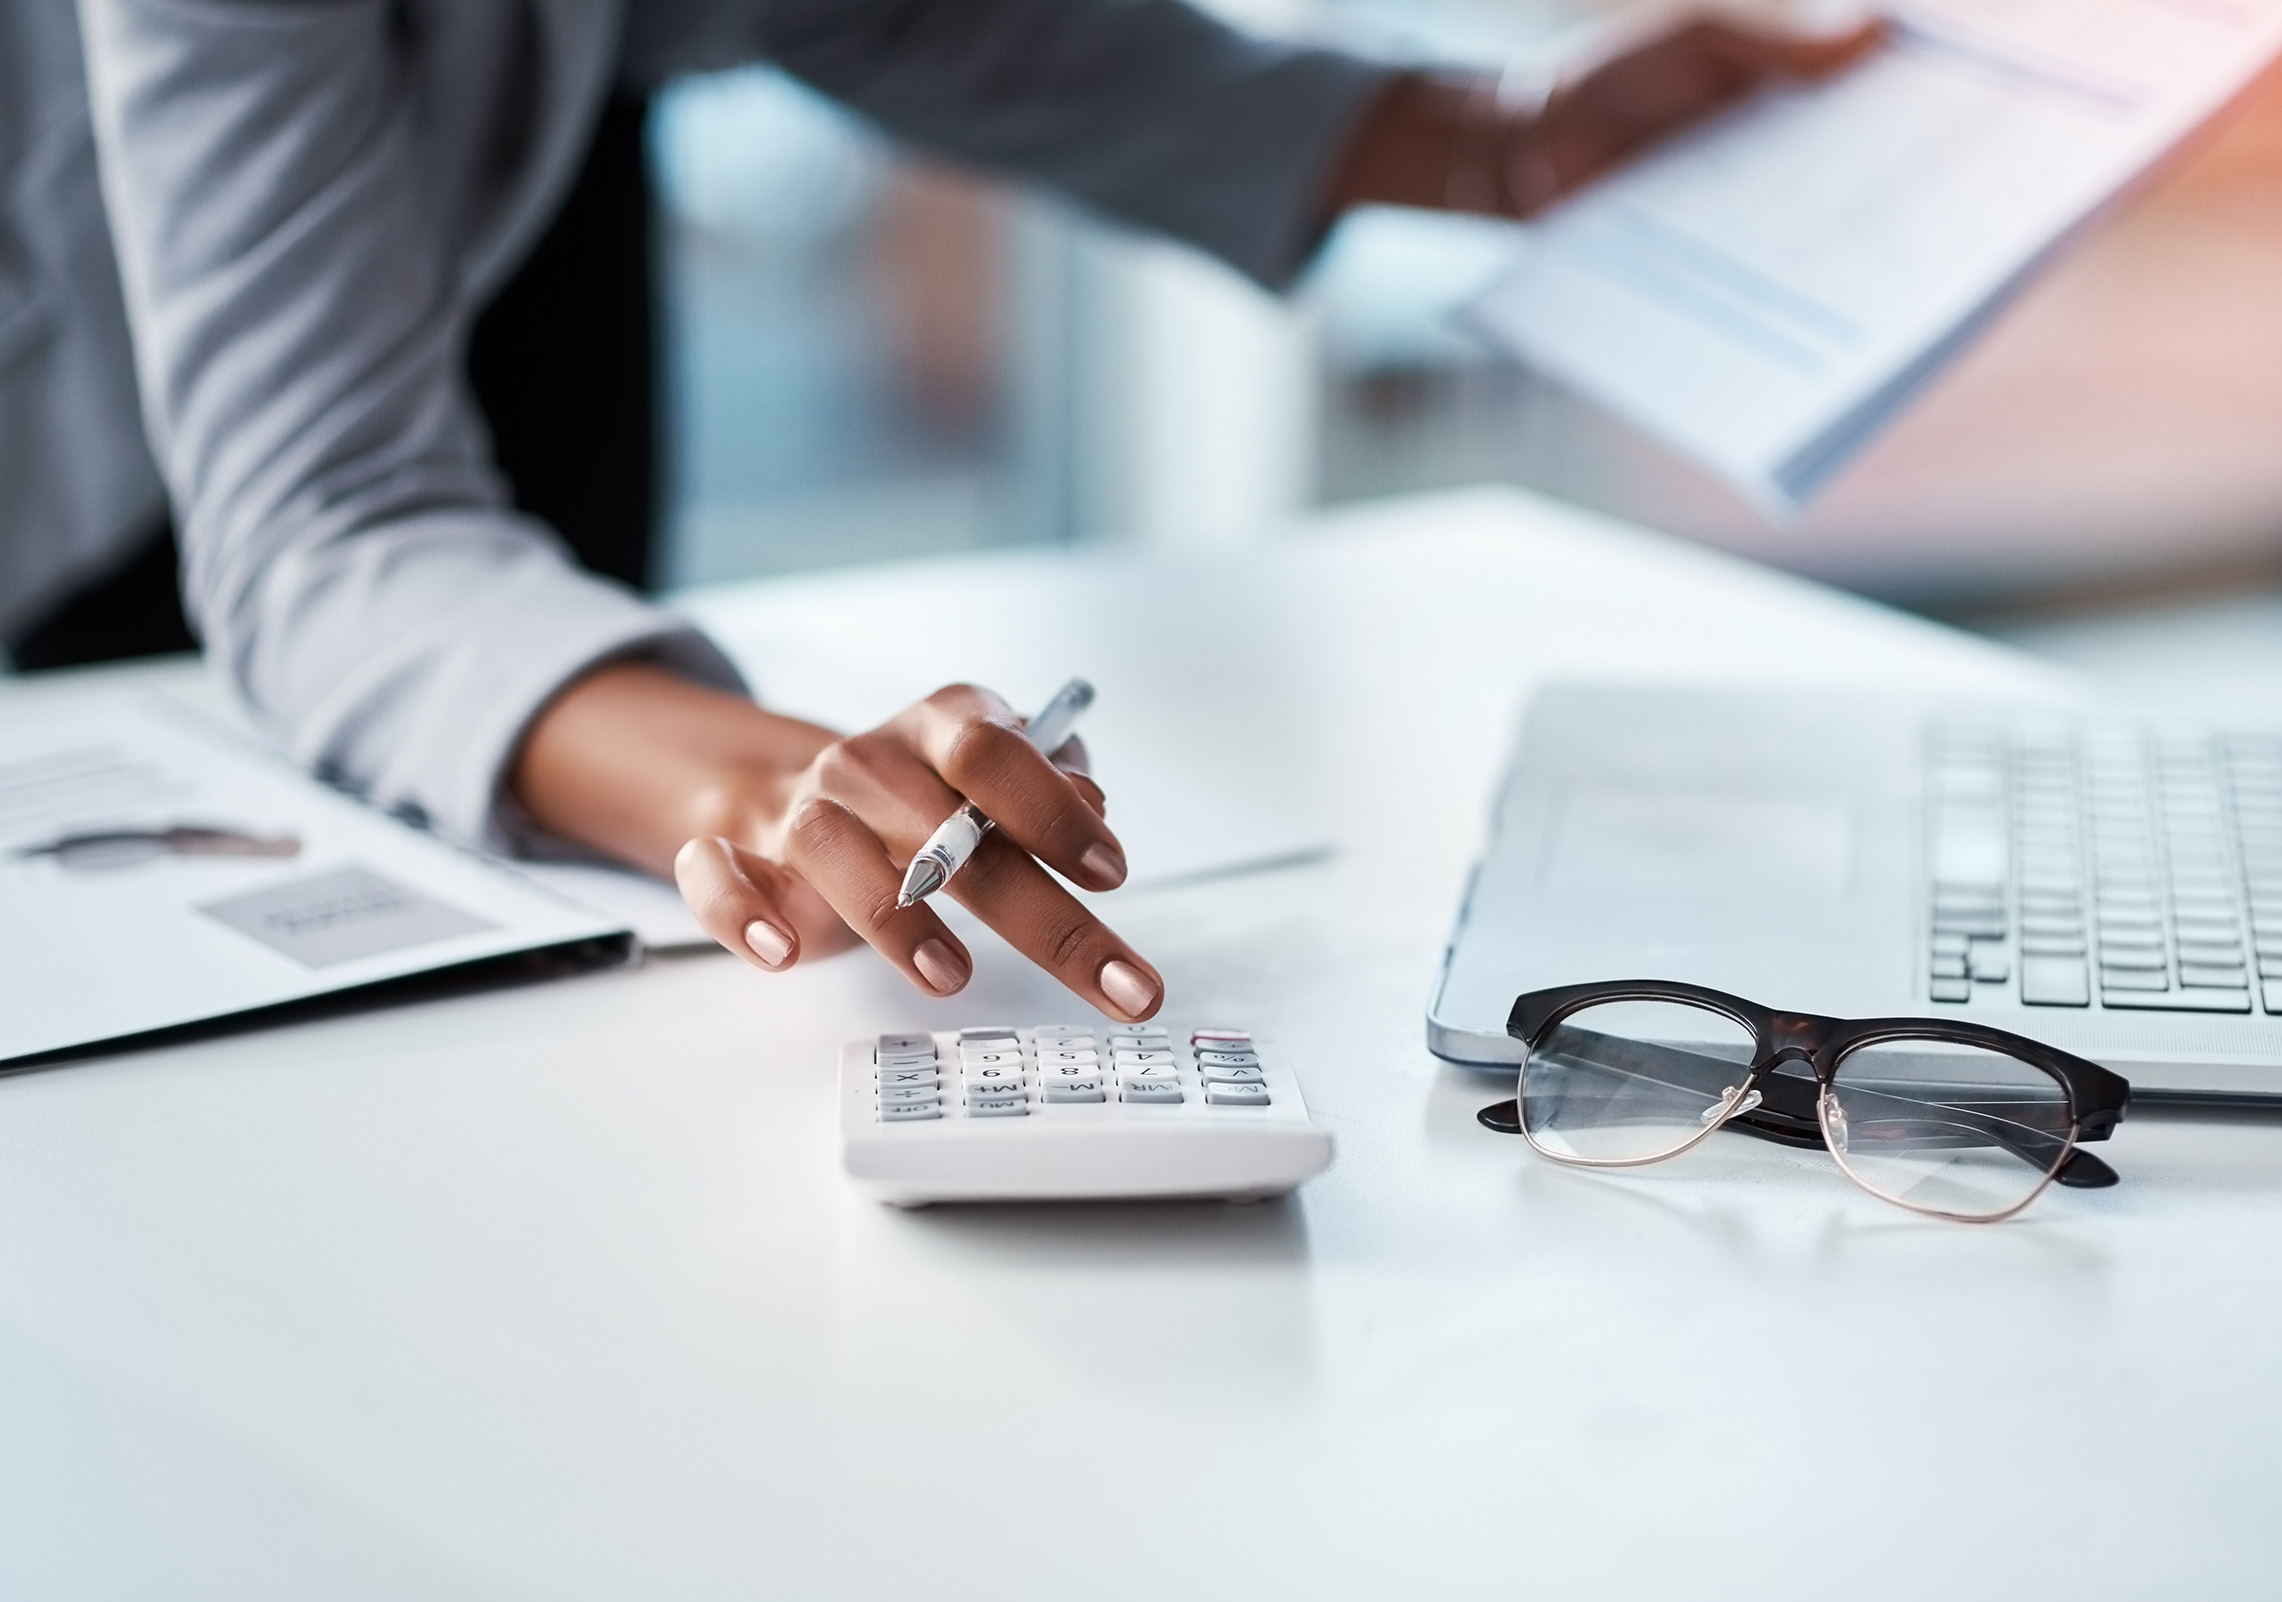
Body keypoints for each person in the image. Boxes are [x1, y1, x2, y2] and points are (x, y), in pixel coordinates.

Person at [3, 0, 1873, 1022]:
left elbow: (897, 15)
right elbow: (328, 524)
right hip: (92, 449)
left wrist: (1498, 133)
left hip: (509, 157)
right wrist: (771, 785)